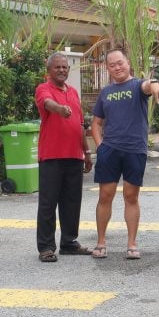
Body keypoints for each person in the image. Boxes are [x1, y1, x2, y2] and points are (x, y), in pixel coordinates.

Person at [90, 48, 159, 260]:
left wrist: (155, 83)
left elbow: (148, 85)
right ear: (107, 68)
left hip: (135, 150)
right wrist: (100, 145)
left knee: (131, 197)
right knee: (105, 196)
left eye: (120, 63)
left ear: (128, 62)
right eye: (112, 65)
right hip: (110, 151)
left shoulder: (137, 85)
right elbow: (96, 123)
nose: (117, 67)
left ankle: (132, 244)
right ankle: (101, 242)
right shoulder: (105, 92)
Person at [34, 52, 93, 262]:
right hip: (51, 156)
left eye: (65, 67)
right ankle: (46, 247)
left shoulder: (74, 93)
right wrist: (60, 109)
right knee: (48, 203)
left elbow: (79, 125)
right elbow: (48, 104)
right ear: (49, 70)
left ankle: (69, 242)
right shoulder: (43, 89)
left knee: (72, 202)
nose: (61, 70)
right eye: (57, 67)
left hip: (74, 155)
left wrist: (86, 152)